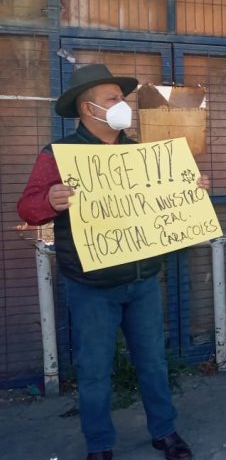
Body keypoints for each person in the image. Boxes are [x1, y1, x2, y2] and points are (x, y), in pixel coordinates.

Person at [17, 64, 201, 460]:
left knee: (153, 362)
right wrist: (49, 201)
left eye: (123, 98)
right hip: (91, 287)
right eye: (113, 99)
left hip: (143, 280)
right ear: (88, 108)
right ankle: (99, 445)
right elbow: (27, 208)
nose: (123, 105)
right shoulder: (58, 156)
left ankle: (165, 431)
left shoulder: (141, 154)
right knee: (94, 370)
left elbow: (167, 201)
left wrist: (191, 189)